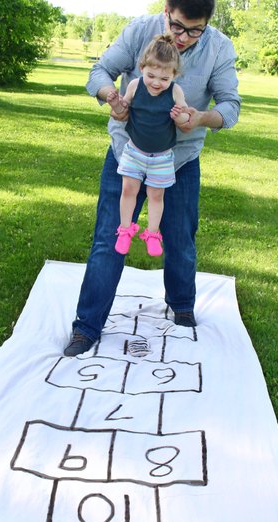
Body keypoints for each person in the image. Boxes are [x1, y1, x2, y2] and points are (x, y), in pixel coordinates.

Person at [64, 0, 241, 357]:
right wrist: (111, 96)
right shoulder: (138, 31)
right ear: (166, 11)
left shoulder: (219, 47)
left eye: (195, 31)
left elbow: (230, 106)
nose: (184, 38)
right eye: (177, 27)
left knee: (180, 237)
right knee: (108, 237)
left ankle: (182, 308)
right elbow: (99, 72)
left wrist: (200, 118)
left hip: (178, 160)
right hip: (126, 154)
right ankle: (87, 327)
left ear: (208, 23)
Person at [107, 34, 190, 257]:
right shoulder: (135, 85)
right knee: (128, 189)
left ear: (174, 75)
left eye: (164, 78)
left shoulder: (175, 92)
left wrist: (179, 116)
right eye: (151, 75)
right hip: (134, 151)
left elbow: (185, 122)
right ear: (141, 67)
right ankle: (125, 230)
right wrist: (116, 103)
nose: (156, 83)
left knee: (156, 196)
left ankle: (152, 234)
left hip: (162, 157)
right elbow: (121, 111)